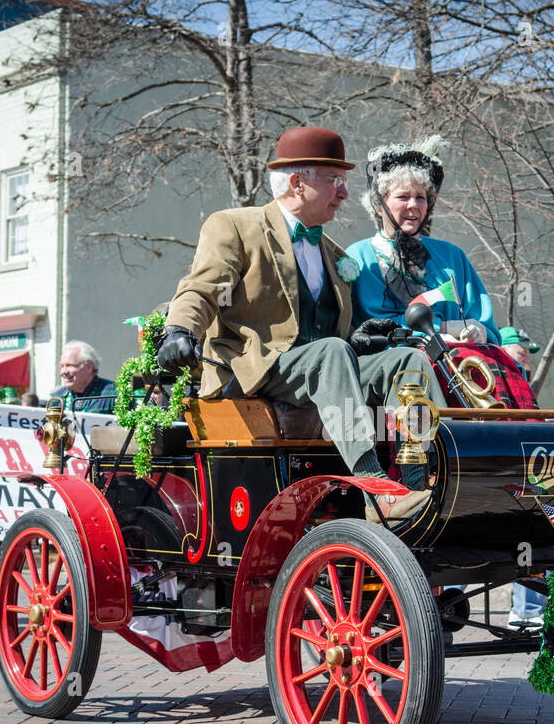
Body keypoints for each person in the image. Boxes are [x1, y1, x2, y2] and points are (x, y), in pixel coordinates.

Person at [158, 127, 446, 524]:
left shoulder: (335, 252)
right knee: (329, 353)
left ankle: (421, 481)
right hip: (254, 370)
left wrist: (356, 339)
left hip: (318, 368)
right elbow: (200, 289)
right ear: (297, 182)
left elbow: (326, 332)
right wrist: (179, 331)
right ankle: (376, 489)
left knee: (405, 362)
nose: (345, 193)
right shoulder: (236, 227)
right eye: (335, 181)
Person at [347, 136, 500, 344]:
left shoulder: (452, 256)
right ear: (378, 204)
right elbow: (373, 325)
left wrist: (480, 330)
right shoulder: (360, 256)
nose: (414, 205)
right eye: (403, 197)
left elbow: (486, 324)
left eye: (421, 197)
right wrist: (443, 328)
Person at [51, 340, 116, 414]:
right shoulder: (57, 397)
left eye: (70, 366)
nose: (63, 372)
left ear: (89, 367)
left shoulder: (113, 394)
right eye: (62, 366)